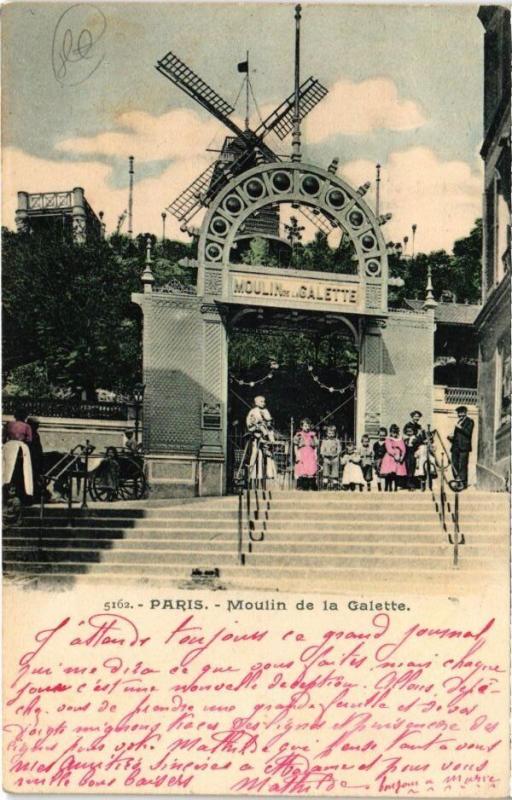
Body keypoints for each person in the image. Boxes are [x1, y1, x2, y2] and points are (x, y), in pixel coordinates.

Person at [3, 408, 33, 500]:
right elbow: (29, 440)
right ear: (24, 417)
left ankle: (6, 489)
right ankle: (22, 493)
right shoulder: (27, 426)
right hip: (21, 449)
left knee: (6, 470)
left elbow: (3, 438)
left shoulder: (9, 424)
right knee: (22, 471)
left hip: (9, 448)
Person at [246, 396, 277, 483]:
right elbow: (250, 424)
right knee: (256, 454)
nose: (263, 403)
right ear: (256, 403)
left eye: (264, 401)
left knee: (268, 455)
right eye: (261, 401)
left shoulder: (266, 411)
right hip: (257, 436)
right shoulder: (253, 411)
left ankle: (269, 474)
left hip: (266, 436)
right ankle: (253, 475)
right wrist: (257, 426)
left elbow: (270, 423)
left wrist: (268, 423)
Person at [448, 406, 474, 489]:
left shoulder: (470, 421)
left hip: (464, 447)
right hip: (455, 447)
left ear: (465, 412)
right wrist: (451, 438)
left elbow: (468, 433)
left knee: (463, 465)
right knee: (454, 464)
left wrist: (460, 427)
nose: (460, 414)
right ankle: (457, 481)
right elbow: (458, 436)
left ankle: (463, 483)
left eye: (462, 412)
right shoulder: (459, 421)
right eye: (459, 413)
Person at [379, 424, 407, 491]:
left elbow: (403, 449)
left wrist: (401, 457)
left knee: (396, 473)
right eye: (392, 432)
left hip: (398, 458)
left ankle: (395, 487)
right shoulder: (388, 439)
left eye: (395, 432)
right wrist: (395, 455)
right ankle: (387, 487)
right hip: (390, 458)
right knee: (389, 473)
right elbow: (389, 449)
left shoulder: (400, 439)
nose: (393, 434)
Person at [294, 419, 318, 490]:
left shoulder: (312, 435)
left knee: (311, 468)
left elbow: (315, 446)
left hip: (310, 453)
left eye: (308, 425)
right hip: (302, 453)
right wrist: (297, 455)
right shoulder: (299, 435)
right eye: (305, 425)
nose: (307, 427)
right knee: (303, 469)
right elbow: (295, 446)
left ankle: (311, 486)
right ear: (302, 426)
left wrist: (315, 454)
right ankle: (303, 486)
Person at [27, 417, 44, 501]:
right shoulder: (30, 434)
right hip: (32, 458)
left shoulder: (35, 434)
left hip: (36, 458)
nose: (38, 426)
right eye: (36, 425)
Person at [319, 425, 341, 489]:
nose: (331, 435)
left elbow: (339, 449)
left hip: (334, 458)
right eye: (329, 433)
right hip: (326, 458)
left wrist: (336, 455)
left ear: (334, 433)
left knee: (335, 472)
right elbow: (322, 450)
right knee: (326, 472)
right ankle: (325, 485)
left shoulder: (337, 441)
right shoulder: (324, 441)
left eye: (332, 433)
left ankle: (335, 485)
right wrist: (324, 455)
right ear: (327, 433)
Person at [373, 427, 387, 491]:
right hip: (377, 460)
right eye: (380, 435)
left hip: (384, 461)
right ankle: (379, 487)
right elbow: (374, 452)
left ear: (385, 435)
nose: (382, 436)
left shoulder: (387, 443)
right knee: (378, 474)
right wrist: (375, 461)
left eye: (383, 435)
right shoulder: (376, 444)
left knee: (383, 475)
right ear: (378, 434)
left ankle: (384, 487)